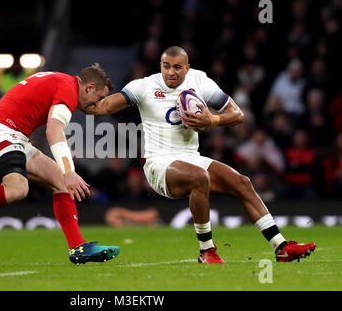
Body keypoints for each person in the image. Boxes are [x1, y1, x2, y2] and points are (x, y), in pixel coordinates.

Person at [86, 46, 315, 263]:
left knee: (241, 183)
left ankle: (281, 247)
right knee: (199, 177)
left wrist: (212, 120)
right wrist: (72, 97)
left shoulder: (200, 80)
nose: (171, 72)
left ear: (187, 67)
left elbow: (237, 114)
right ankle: (206, 250)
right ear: (160, 65)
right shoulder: (144, 86)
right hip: (159, 164)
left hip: (191, 157)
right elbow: (104, 107)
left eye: (177, 67)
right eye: (166, 66)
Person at [0, 64, 120, 264]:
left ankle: (77, 247)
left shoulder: (59, 80)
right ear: (89, 87)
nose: (98, 105)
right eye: (99, 98)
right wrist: (69, 171)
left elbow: (15, 97)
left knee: (60, 182)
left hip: (11, 134)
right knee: (18, 189)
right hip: (3, 133)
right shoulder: (68, 90)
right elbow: (54, 131)